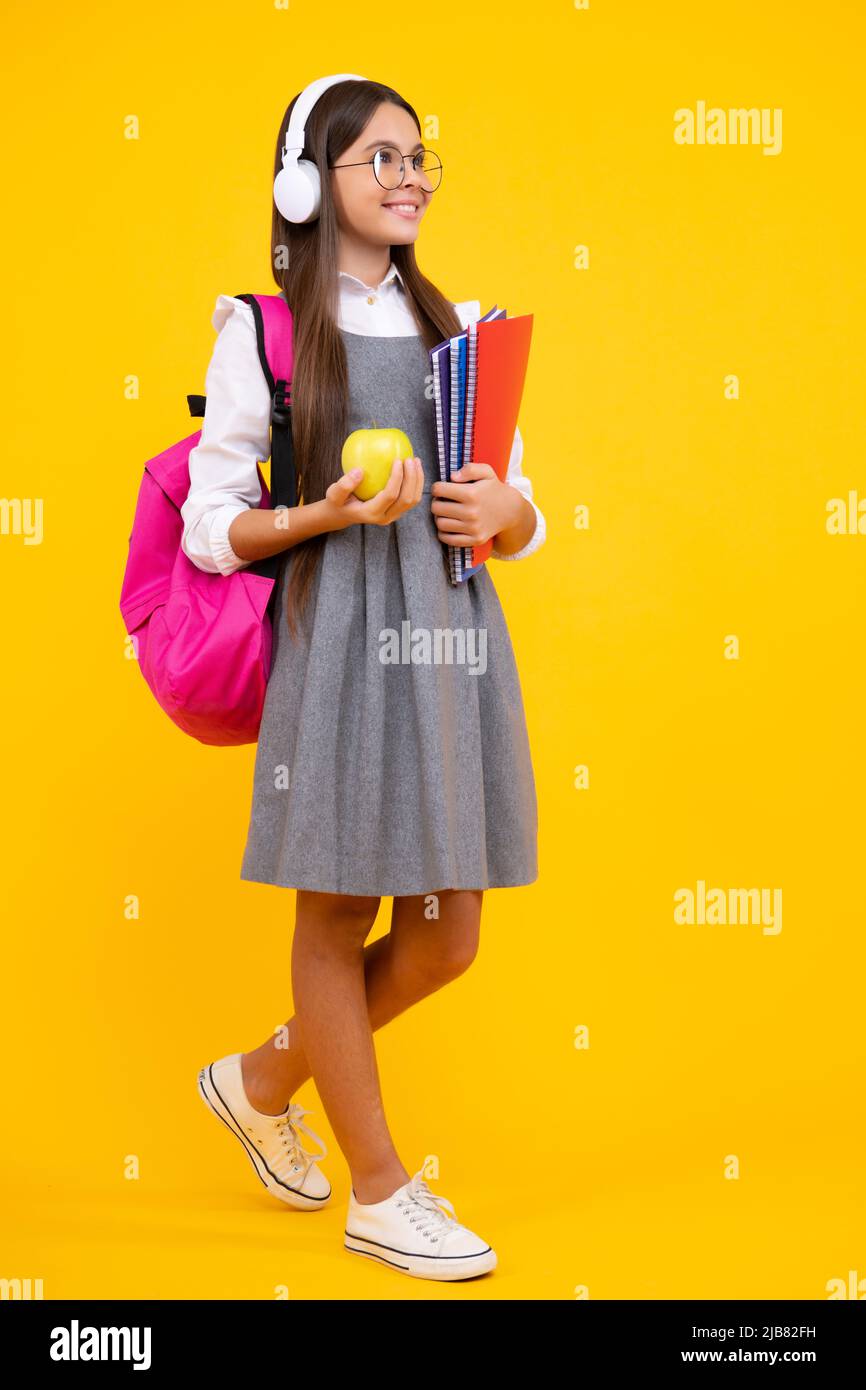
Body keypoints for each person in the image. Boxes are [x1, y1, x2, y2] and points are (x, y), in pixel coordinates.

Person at [186, 75, 546, 1282]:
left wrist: (509, 511)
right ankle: (380, 1190)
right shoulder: (264, 330)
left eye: (418, 154)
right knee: (335, 913)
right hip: (336, 641)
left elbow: (515, 503)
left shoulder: (467, 328)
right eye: (379, 156)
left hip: (449, 646)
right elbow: (210, 528)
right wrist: (320, 513)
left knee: (447, 935)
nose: (410, 175)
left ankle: (261, 1079)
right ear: (308, 184)